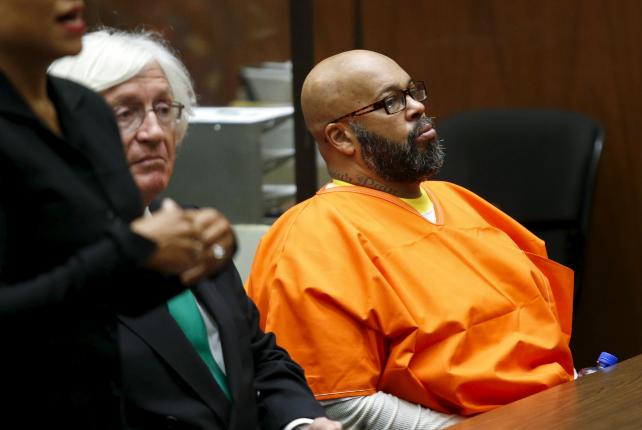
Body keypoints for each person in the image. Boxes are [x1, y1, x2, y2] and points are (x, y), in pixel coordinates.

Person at [246, 49, 576, 428]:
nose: (417, 107)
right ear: (341, 137)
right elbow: (339, 406)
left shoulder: (459, 200)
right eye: (391, 102)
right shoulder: (311, 239)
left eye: (413, 91)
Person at [49, 28, 341, 430]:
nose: (153, 132)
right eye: (125, 112)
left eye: (164, 109)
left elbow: (258, 357)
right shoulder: (48, 260)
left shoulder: (193, 226)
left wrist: (302, 422)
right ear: (69, 126)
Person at [0, 2, 230, 429]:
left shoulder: (80, 106)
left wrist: (190, 256)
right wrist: (138, 247)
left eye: (164, 111)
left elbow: (103, 295)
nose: (72, 3)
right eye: (127, 112)